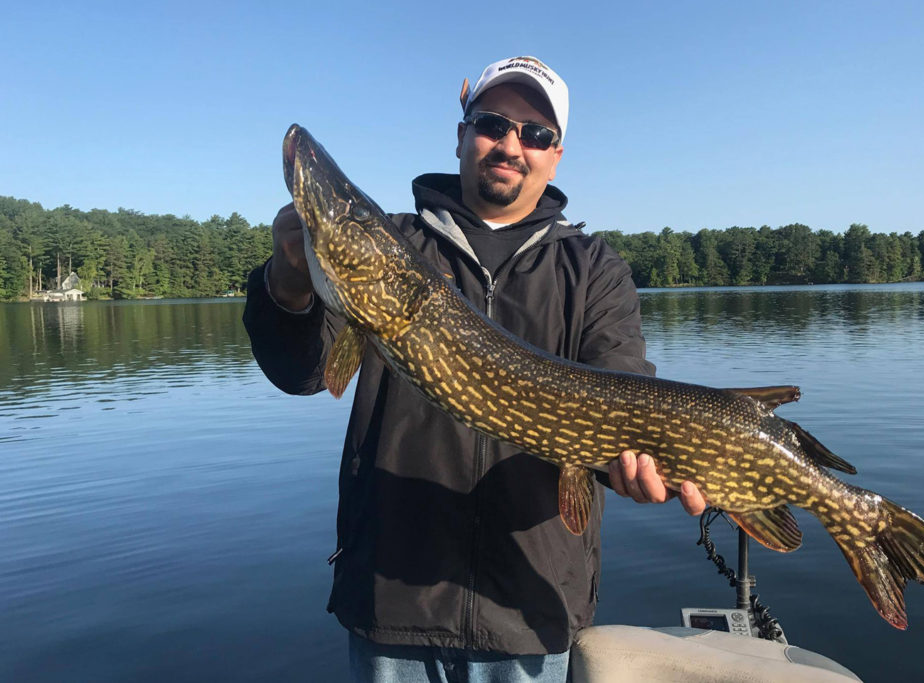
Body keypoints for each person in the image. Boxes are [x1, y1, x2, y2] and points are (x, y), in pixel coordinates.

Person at [243, 56, 705, 682]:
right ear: (461, 133)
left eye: (535, 133)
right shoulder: (400, 245)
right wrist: (288, 284)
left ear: (555, 154)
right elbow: (302, 371)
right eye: (492, 123)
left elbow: (623, 388)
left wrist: (631, 464)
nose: (511, 144)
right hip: (391, 602)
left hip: (528, 610)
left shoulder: (593, 270)